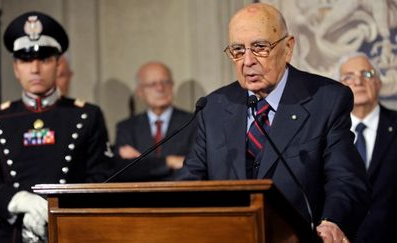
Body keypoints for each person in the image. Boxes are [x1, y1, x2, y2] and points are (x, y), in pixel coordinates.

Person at [176, 3, 370, 242]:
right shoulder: (214, 107)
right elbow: (189, 182)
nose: (247, 61)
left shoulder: (326, 100)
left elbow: (346, 180)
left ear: (288, 48)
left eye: (259, 47)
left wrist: (333, 222)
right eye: (238, 50)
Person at [0, 11, 114, 243]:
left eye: (45, 59)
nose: (35, 69)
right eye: (26, 60)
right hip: (15, 234)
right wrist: (20, 202)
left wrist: (55, 209)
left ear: (58, 64)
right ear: (16, 68)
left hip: (72, 232)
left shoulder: (86, 115)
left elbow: (101, 178)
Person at [337, 52, 397, 243]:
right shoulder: (327, 133)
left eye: (367, 74)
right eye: (349, 77)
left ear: (379, 83)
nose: (358, 81)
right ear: (339, 88)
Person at [114, 61, 196, 181]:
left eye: (165, 82)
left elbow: (194, 166)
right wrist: (170, 161)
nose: (160, 88)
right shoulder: (126, 128)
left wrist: (142, 162)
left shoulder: (193, 122)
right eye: (152, 84)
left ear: (172, 86)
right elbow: (124, 171)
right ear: (140, 92)